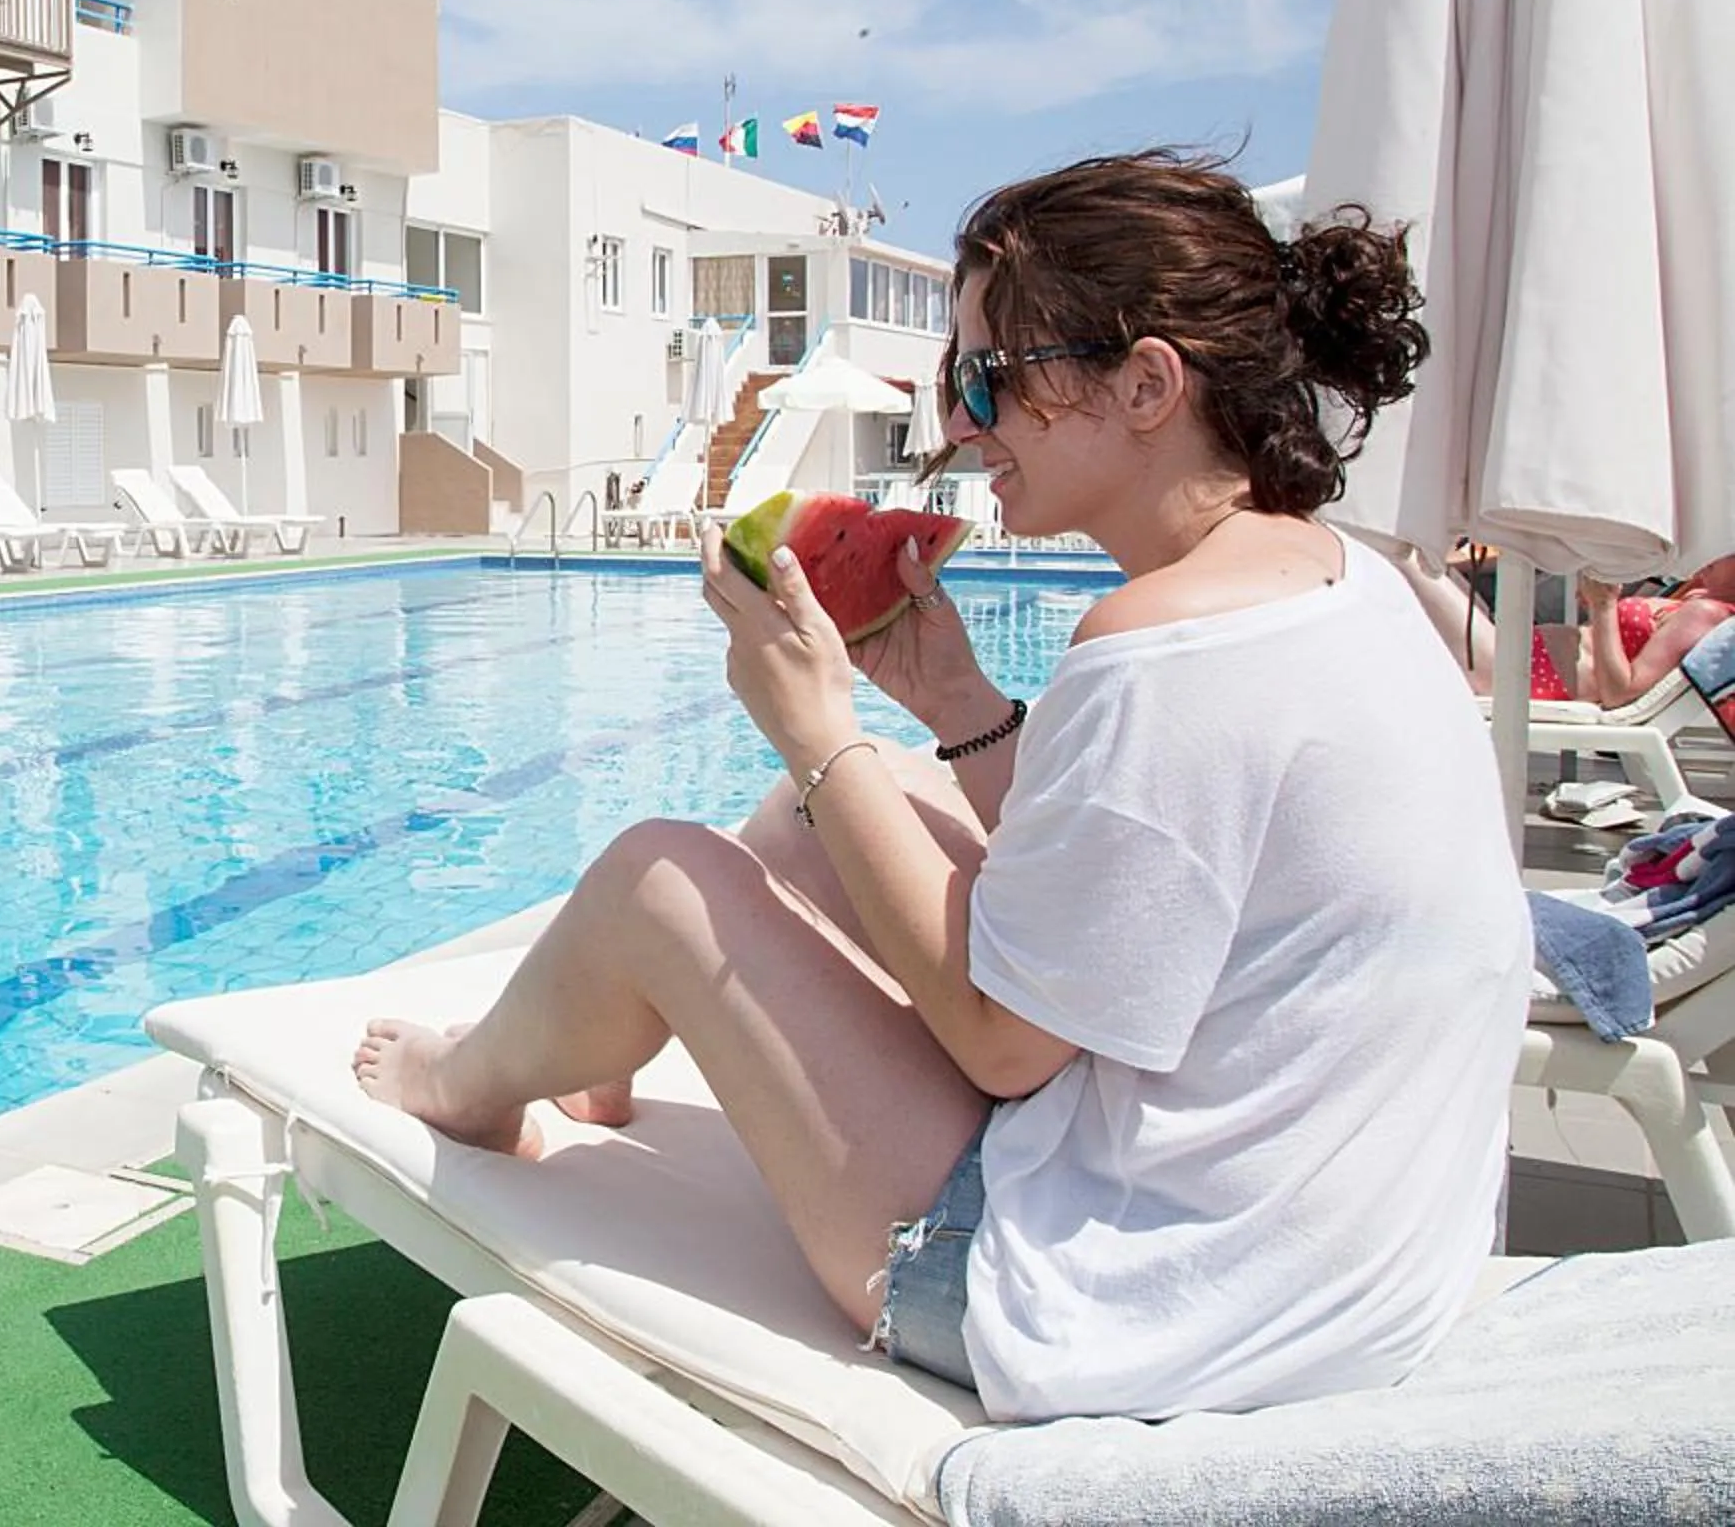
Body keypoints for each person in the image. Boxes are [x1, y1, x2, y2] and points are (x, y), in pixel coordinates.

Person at [353, 149, 1531, 1424]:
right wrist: (956, 704)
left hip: (1121, 1305)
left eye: (987, 377)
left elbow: (1008, 1045)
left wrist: (816, 726)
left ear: (1145, 384)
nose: (959, 424)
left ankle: (468, 1086)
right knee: (809, 830)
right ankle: (593, 1042)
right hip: (1336, 1266)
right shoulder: (1337, 579)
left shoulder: (1161, 652)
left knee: (662, 872)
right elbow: (1141, 886)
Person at [1395, 543, 1734, 707]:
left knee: (1401, 554)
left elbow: (1620, 693)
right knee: (1418, 563)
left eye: (1723, 551)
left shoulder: (1705, 614)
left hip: (1515, 674)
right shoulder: (1701, 600)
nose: (1708, 557)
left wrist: (1604, 606)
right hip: (1516, 660)